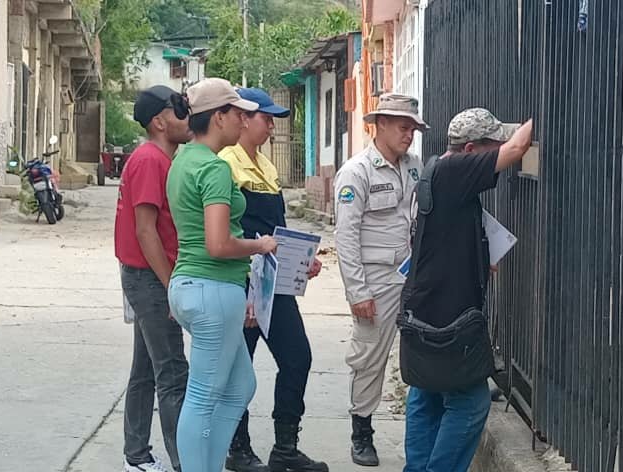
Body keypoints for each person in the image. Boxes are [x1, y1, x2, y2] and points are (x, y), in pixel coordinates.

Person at [399, 108, 534, 472]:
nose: (499, 150)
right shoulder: (454, 171)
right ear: (472, 149)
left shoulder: (433, 170)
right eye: (493, 146)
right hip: (447, 314)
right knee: (471, 401)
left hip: (425, 306)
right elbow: (519, 147)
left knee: (426, 393)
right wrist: (548, 109)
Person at [165, 78, 276, 472]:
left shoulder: (183, 160)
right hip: (212, 285)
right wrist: (259, 246)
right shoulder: (214, 169)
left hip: (192, 286)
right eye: (239, 113)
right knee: (203, 394)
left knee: (240, 385)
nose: (244, 122)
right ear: (219, 117)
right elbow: (219, 244)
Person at [218, 87, 328, 472]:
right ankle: (238, 447)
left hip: (274, 283)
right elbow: (227, 230)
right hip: (241, 280)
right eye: (266, 118)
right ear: (243, 118)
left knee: (298, 357)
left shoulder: (265, 167)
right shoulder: (226, 164)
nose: (272, 127)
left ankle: (285, 447)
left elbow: (276, 232)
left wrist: (302, 261)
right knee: (239, 367)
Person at [332, 93, 427, 467]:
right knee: (369, 357)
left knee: (422, 353)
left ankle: (419, 430)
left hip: (413, 276)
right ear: (380, 124)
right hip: (375, 280)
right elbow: (345, 237)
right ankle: (362, 433)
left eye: (414, 129)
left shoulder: (416, 168)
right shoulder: (356, 173)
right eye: (404, 127)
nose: (409, 135)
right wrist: (358, 292)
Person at [114, 85, 194, 472]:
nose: (187, 117)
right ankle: (185, 463)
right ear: (160, 121)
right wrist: (170, 286)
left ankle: (137, 456)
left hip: (149, 276)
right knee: (173, 371)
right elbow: (146, 230)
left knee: (146, 369)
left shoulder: (164, 159)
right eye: (180, 110)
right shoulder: (149, 160)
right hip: (150, 278)